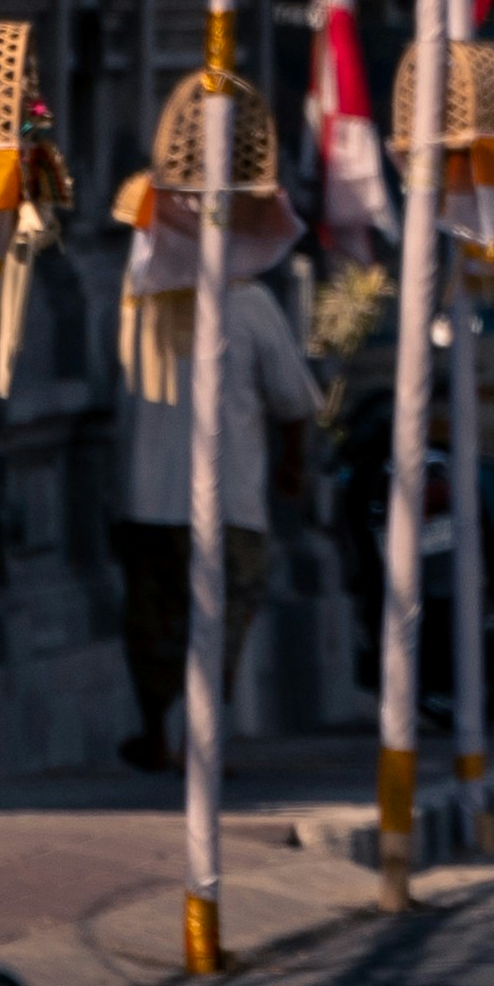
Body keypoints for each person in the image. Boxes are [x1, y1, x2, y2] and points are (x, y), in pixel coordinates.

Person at [110, 256, 318, 775]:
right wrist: (292, 467)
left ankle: (162, 736)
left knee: (154, 625)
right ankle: (193, 743)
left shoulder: (140, 291)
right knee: (219, 624)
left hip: (147, 496)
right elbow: (293, 400)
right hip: (229, 503)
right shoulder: (248, 302)